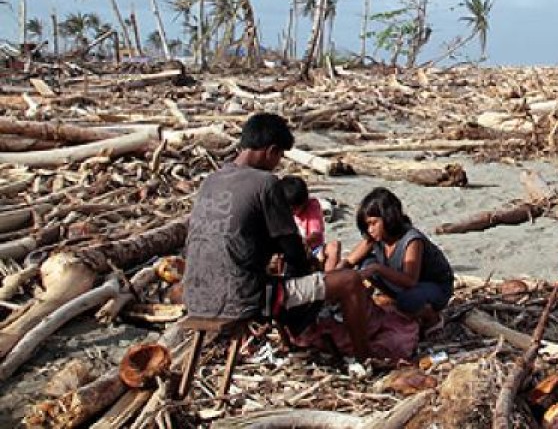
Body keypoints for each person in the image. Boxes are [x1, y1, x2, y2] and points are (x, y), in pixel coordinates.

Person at [182, 113, 369, 358]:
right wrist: (308, 276)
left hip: (195, 297)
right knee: (350, 281)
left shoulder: (211, 181)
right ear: (271, 151)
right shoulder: (265, 183)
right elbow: (292, 248)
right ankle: (366, 358)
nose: (278, 162)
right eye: (279, 156)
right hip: (244, 299)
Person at [339, 187, 454, 334]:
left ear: (388, 218)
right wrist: (333, 275)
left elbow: (410, 280)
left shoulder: (412, 240)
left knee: (407, 299)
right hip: (404, 285)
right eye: (367, 225)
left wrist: (377, 268)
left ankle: (432, 318)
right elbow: (350, 260)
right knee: (365, 263)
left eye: (374, 223)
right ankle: (396, 300)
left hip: (435, 287)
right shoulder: (374, 238)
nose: (370, 230)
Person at [280, 175, 341, 269]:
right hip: (289, 250)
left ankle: (328, 277)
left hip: (314, 248)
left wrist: (304, 243)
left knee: (334, 247)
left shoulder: (312, 206)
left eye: (295, 209)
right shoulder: (279, 209)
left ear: (304, 202)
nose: (292, 211)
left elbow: (315, 233)